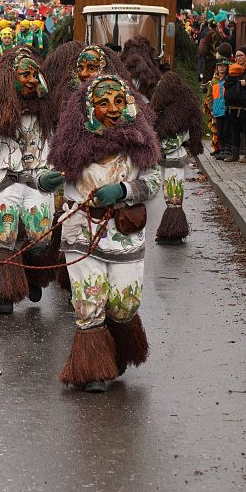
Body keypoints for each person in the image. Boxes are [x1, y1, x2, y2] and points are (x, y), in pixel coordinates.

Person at [41, 74, 161, 392]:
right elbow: (46, 170)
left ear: (128, 105)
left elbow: (154, 181)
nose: (111, 108)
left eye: (118, 101)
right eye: (103, 102)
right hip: (80, 229)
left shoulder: (141, 142)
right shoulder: (69, 142)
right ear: (88, 108)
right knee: (89, 300)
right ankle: (92, 367)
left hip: (124, 231)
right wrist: (45, 180)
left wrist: (124, 189)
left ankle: (118, 345)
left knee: (124, 304)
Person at [0, 49, 55, 315]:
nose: (31, 80)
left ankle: (32, 277)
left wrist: (56, 175)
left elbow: (56, 146)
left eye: (34, 74)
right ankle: (5, 293)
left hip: (38, 182)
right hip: (6, 182)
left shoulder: (48, 113)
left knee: (40, 238)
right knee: (5, 238)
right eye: (25, 75)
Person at [149, 71, 204, 244]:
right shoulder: (177, 111)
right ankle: (171, 228)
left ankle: (174, 230)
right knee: (170, 193)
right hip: (171, 156)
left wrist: (159, 147)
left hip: (173, 156)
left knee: (173, 194)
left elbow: (176, 139)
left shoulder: (176, 114)